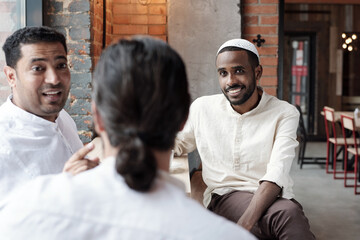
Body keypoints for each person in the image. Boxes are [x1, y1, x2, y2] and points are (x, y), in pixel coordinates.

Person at [0, 37, 255, 240]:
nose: (53, 79)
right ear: (183, 119)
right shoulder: (222, 235)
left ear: (97, 118)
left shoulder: (25, 211)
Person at [174, 39, 315, 239]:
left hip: (273, 196)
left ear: (257, 72)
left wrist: (243, 226)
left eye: (239, 70)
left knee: (288, 214)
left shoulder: (284, 113)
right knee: (286, 217)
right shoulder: (202, 108)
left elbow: (277, 171)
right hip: (225, 196)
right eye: (223, 73)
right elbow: (178, 143)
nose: (230, 81)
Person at [0, 26, 98, 198]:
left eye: (61, 65)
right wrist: (63, 187)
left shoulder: (62, 117)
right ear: (11, 77)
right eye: (38, 68)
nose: (54, 79)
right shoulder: (4, 145)